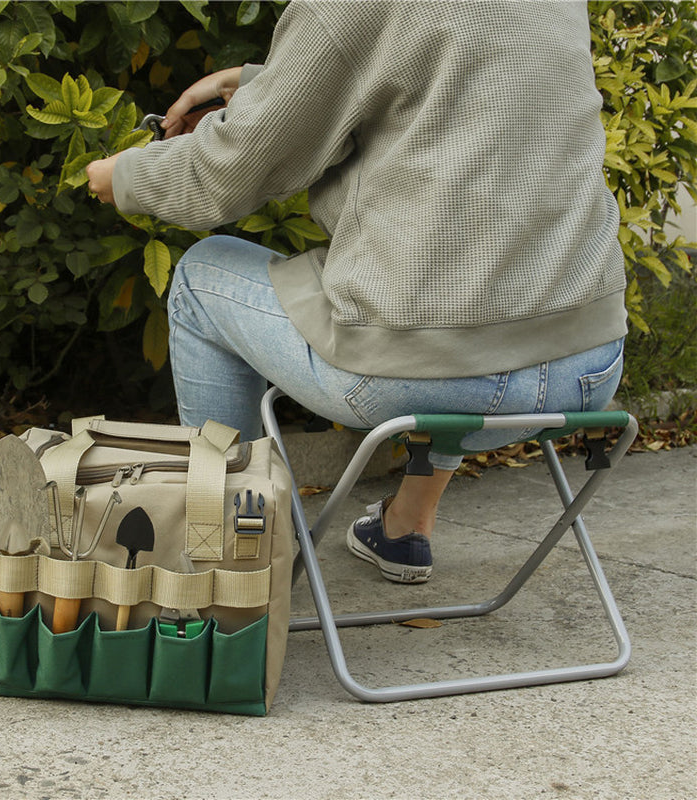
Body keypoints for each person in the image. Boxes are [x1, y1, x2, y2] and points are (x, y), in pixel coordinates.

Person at [86, 0, 627, 585]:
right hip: (588, 363)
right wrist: (256, 83)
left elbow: (237, 168)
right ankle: (406, 527)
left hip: (418, 377)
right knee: (463, 286)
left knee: (200, 276)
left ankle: (238, 562)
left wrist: (125, 177)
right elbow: (457, 88)